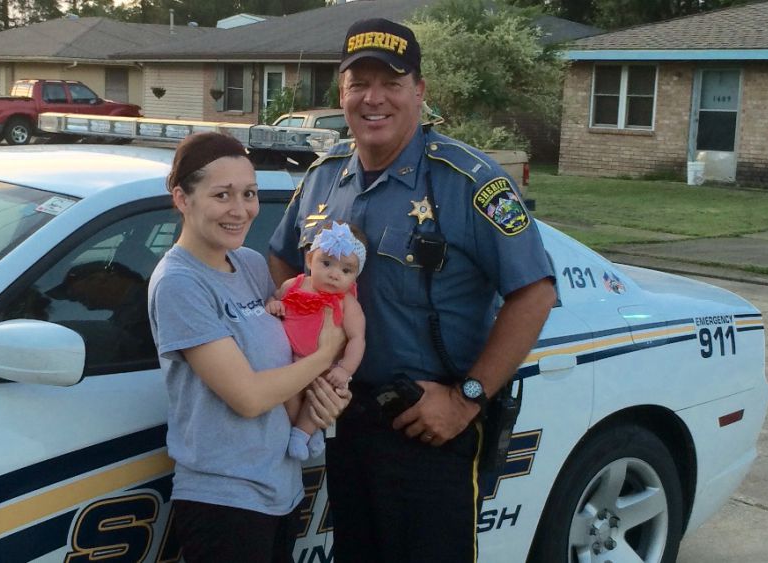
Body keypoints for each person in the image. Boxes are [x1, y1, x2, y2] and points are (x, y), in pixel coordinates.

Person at [268, 18, 557, 563]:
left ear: (419, 92)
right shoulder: (323, 177)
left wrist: (466, 399)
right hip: (345, 419)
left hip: (431, 424)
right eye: (359, 84)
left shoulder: (469, 181)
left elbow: (535, 291)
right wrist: (303, 333)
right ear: (342, 92)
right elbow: (282, 258)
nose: (373, 99)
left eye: (392, 83)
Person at [147, 132, 351, 563]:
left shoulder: (251, 265)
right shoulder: (179, 284)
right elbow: (250, 397)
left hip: (280, 488)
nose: (240, 210)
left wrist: (326, 398)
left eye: (249, 194)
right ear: (183, 198)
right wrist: (323, 356)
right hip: (224, 500)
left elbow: (286, 362)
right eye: (222, 195)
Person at [266, 221, 367, 460]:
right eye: (327, 263)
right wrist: (274, 304)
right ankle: (304, 433)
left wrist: (345, 369)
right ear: (311, 260)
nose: (334, 274)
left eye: (346, 270)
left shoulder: (348, 303)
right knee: (289, 394)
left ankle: (302, 434)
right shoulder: (294, 285)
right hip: (289, 362)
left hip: (324, 368)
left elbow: (357, 339)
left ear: (355, 277)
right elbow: (274, 296)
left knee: (320, 396)